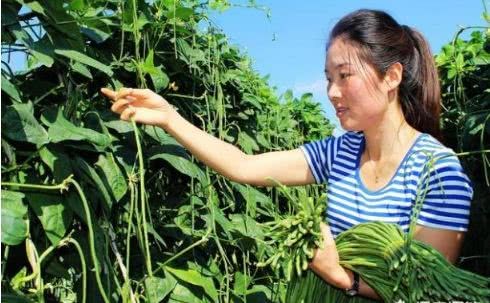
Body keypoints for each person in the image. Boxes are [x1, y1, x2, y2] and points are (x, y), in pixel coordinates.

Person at [101, 9, 473, 300]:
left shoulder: (438, 173)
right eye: (328, 77)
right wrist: (169, 117)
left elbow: (429, 288)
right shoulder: (340, 151)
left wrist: (343, 278)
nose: (332, 91)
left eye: (345, 75)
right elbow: (243, 165)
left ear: (391, 77)